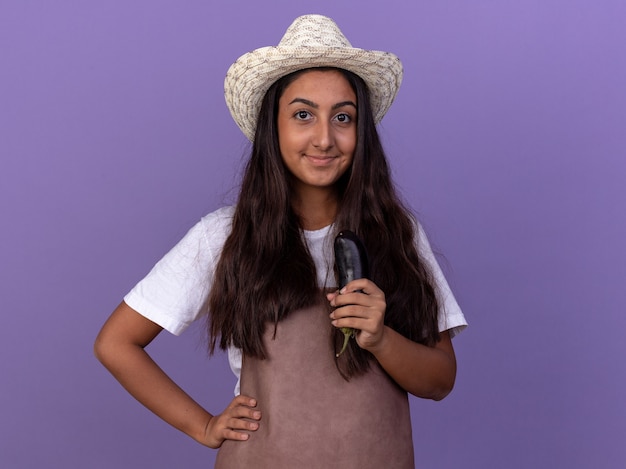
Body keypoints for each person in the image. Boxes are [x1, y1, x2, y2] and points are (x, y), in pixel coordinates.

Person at [94, 14, 467, 468]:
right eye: (303, 115)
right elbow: (116, 343)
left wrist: (381, 337)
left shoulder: (397, 234)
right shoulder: (226, 237)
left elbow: (440, 380)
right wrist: (203, 425)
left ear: (361, 132)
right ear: (274, 127)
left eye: (343, 117)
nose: (324, 138)